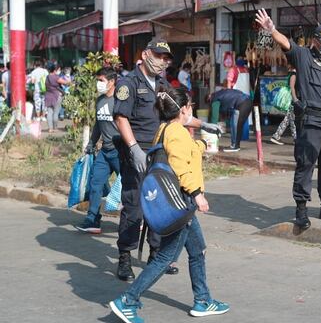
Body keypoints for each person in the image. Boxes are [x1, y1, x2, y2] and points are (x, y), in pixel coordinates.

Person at [109, 86, 230, 323]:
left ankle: (203, 300)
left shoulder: (165, 129)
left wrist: (203, 146)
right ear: (184, 109)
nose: (191, 110)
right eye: (190, 106)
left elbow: (182, 153)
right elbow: (180, 166)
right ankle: (128, 300)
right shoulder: (176, 131)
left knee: (198, 250)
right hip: (181, 201)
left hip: (177, 202)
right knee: (165, 258)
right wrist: (197, 194)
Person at [113, 38, 222, 282]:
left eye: (165, 58)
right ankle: (125, 258)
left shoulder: (163, 84)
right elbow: (121, 118)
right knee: (135, 207)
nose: (162, 61)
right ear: (145, 54)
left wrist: (203, 124)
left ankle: (156, 256)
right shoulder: (129, 83)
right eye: (158, 55)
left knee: (160, 205)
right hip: (137, 153)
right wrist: (133, 149)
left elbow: (178, 115)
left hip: (161, 153)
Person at [256, 9, 321, 229]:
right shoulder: (303, 57)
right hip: (311, 123)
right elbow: (286, 43)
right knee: (306, 165)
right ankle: (301, 210)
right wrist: (271, 29)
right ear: (315, 42)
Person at [74, 68, 121, 234]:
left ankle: (139, 219)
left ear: (112, 81)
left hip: (120, 152)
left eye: (101, 80)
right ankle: (93, 220)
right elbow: (97, 126)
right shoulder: (100, 101)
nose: (98, 84)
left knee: (130, 187)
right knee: (95, 183)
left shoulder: (120, 101)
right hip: (105, 151)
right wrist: (91, 143)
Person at [210, 88, 252, 152]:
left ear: (209, 98)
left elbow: (214, 118)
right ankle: (233, 145)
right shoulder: (220, 93)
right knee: (233, 123)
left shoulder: (215, 98)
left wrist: (212, 130)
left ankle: (236, 146)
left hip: (243, 103)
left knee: (236, 125)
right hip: (244, 102)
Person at [270, 66, 298, 145]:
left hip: (291, 100)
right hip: (291, 100)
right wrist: (295, 99)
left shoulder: (292, 73)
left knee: (289, 119)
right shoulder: (294, 74)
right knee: (291, 119)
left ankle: (277, 136)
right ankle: (294, 138)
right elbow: (292, 88)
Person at [44, 64, 69, 133]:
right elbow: (66, 83)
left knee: (49, 112)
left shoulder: (47, 77)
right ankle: (55, 128)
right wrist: (68, 79)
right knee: (56, 112)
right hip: (56, 95)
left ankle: (50, 128)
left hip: (48, 95)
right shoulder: (56, 77)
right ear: (55, 70)